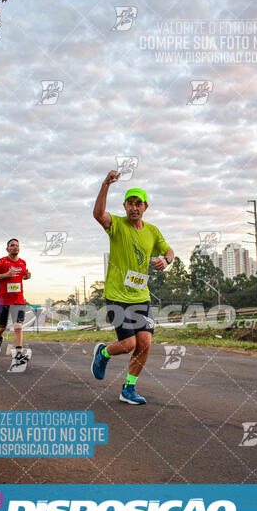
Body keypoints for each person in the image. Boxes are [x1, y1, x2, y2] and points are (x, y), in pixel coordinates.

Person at [92, 171, 174, 404]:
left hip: (140, 296)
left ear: (146, 207)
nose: (134, 208)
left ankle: (129, 388)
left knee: (145, 343)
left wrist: (167, 261)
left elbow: (169, 251)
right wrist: (105, 184)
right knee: (129, 344)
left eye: (139, 204)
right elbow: (98, 214)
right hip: (117, 295)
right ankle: (103, 352)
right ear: (125, 206)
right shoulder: (117, 225)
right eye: (130, 203)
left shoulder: (152, 231)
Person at [0, 238, 31, 369]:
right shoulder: (1, 262)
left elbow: (24, 274)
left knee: (18, 326)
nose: (15, 247)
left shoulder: (22, 262)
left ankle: (18, 354)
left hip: (18, 300)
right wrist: (5, 275)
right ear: (7, 249)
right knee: (2, 327)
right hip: (3, 300)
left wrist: (27, 275)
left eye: (17, 245)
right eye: (12, 245)